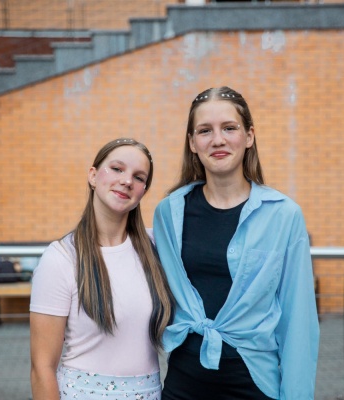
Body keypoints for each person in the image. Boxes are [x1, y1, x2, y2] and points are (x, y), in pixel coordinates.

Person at [152, 86, 319, 399]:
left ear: (249, 136)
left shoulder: (283, 215)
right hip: (183, 382)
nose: (218, 140)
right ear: (192, 143)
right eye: (205, 130)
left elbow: (298, 320)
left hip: (253, 383)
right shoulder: (168, 213)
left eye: (229, 128)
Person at [30, 138, 173, 400]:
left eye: (139, 177)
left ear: (143, 191)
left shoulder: (157, 248)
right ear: (93, 176)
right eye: (117, 169)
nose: (127, 181)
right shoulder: (61, 258)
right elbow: (42, 368)